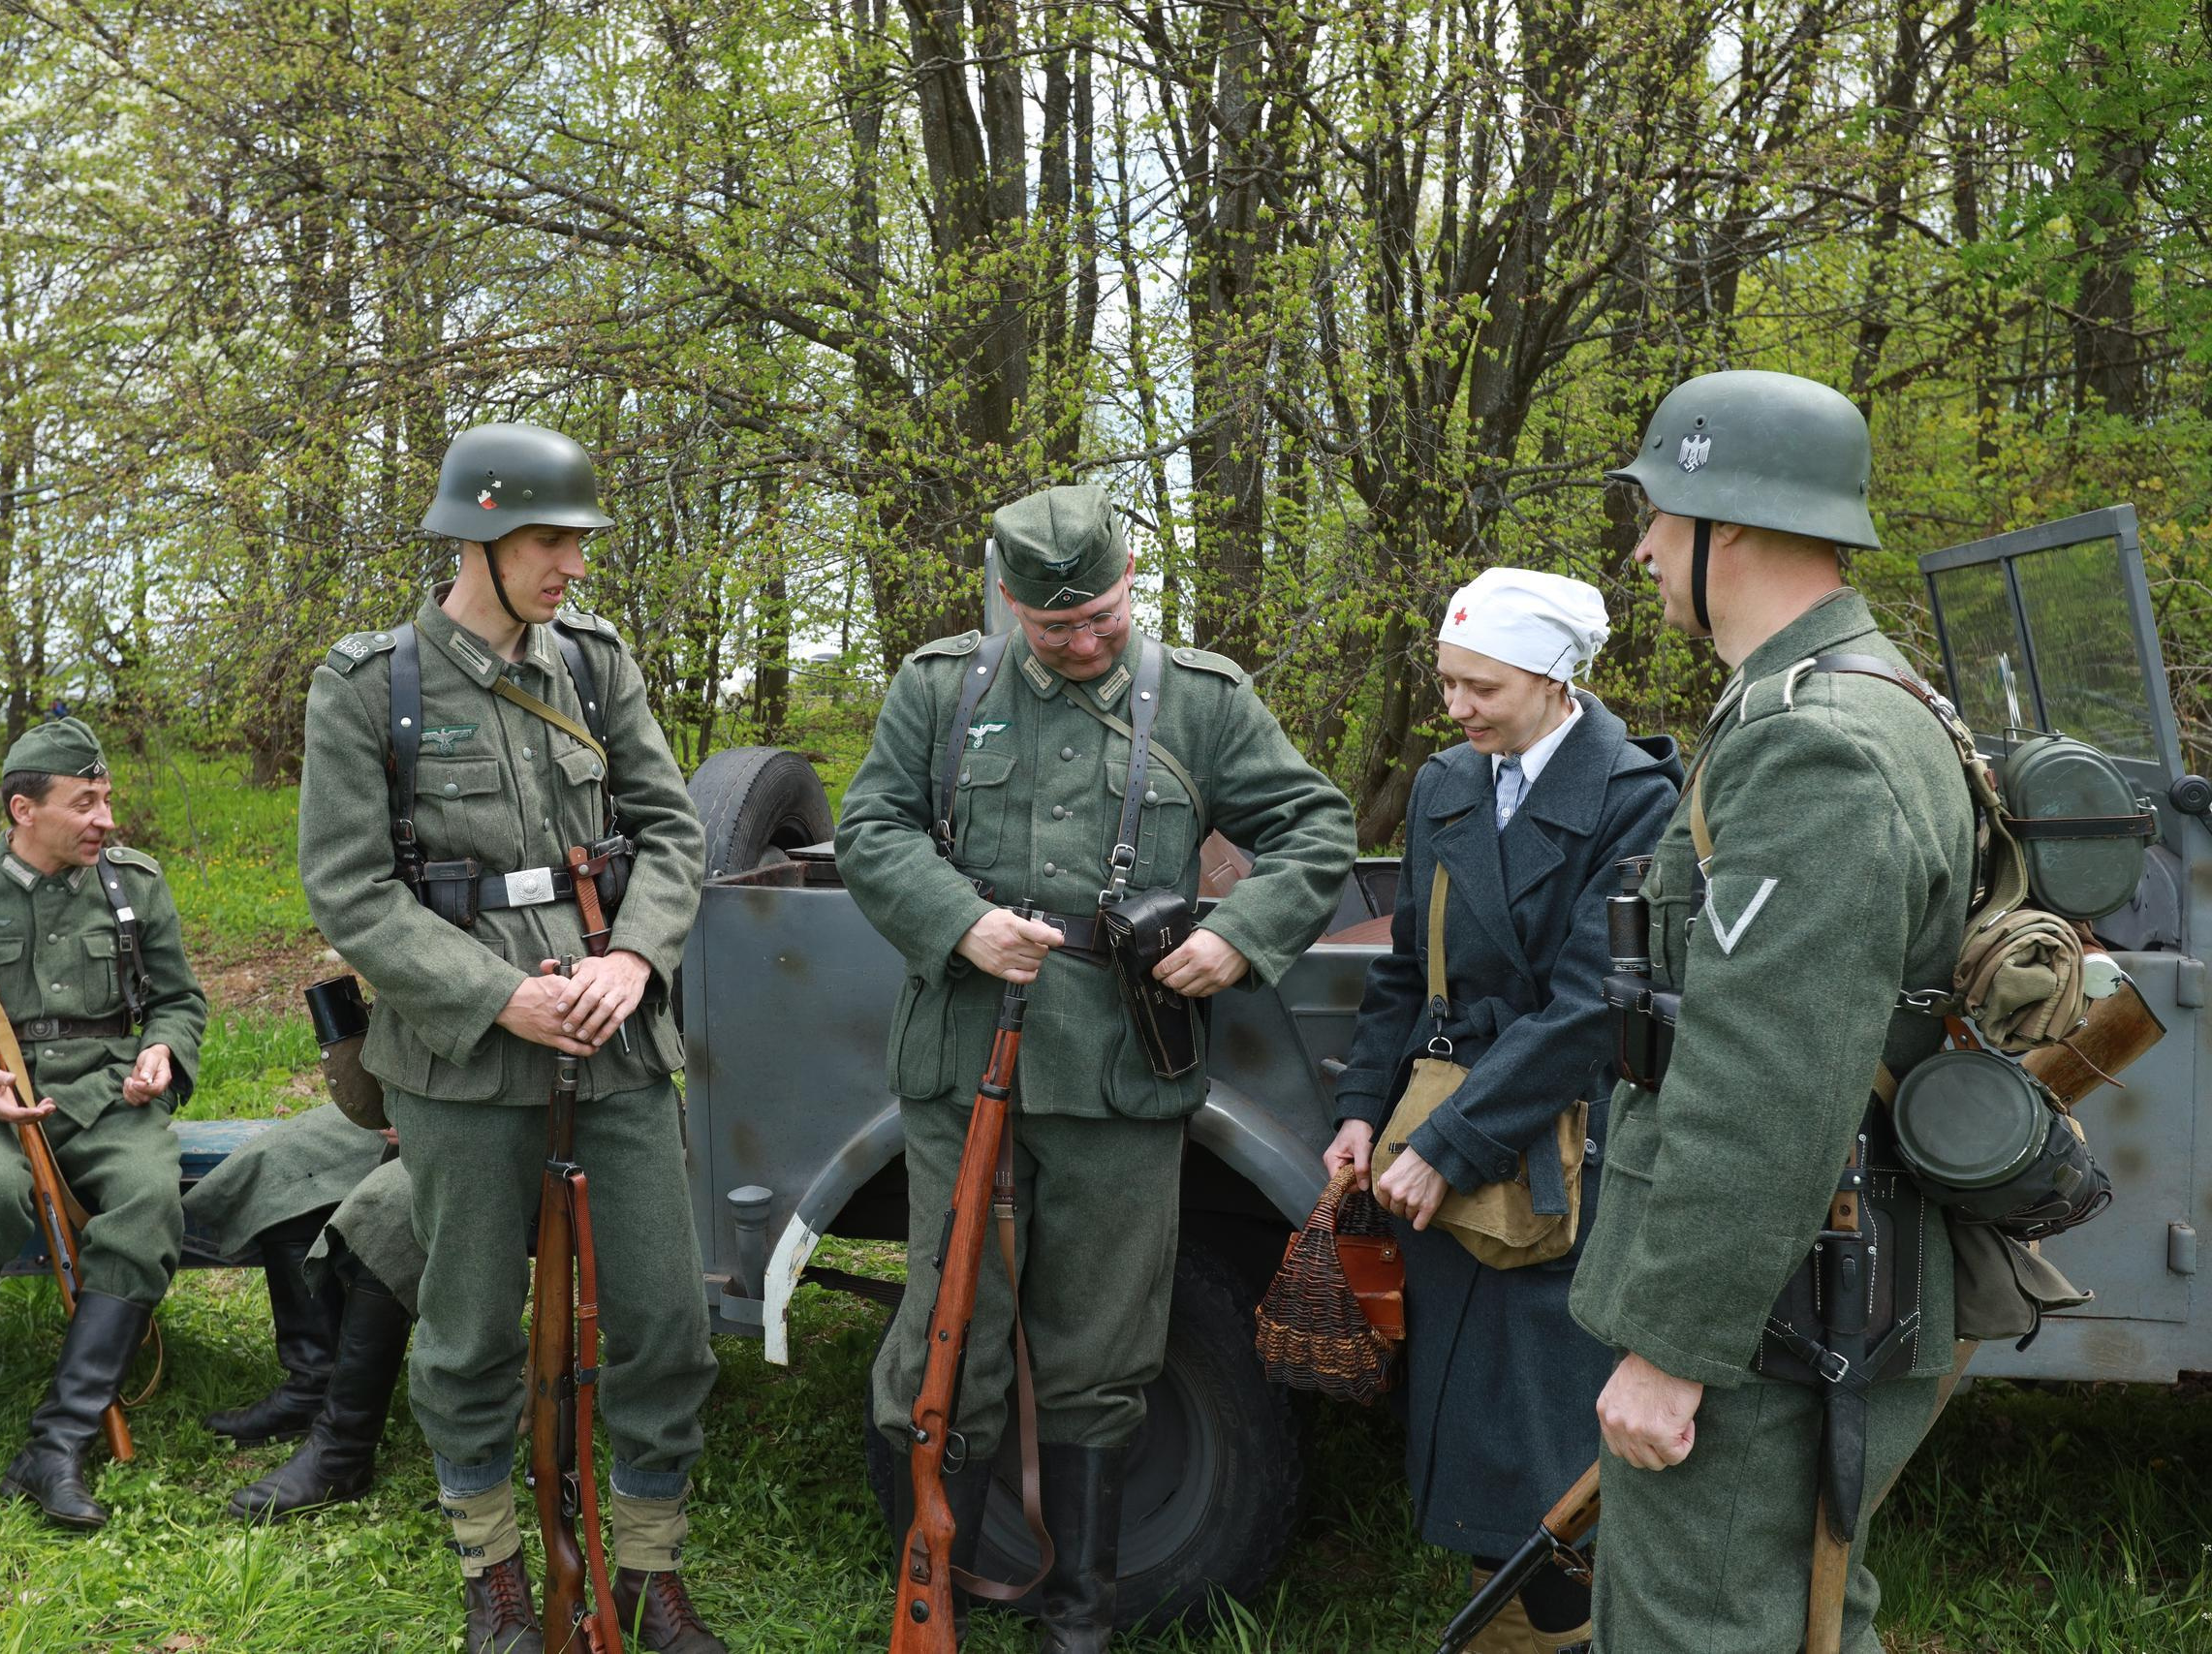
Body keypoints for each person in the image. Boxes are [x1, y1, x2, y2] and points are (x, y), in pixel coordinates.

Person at [835, 483, 1356, 1653]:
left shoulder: (1203, 700)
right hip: (966, 1050)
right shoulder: (938, 688)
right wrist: (958, 921)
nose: (1084, 643)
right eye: (1056, 626)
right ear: (1009, 603)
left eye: (1104, 617)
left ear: (1132, 583)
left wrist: (1239, 935)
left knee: (1109, 1342)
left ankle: (1081, 1617)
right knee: (951, 1324)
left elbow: (1314, 828)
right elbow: (871, 830)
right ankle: (948, 1587)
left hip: (1125, 1058)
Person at [296, 422, 723, 1654]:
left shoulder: (594, 663)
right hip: (462, 1056)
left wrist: (634, 959)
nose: (572, 566)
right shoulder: (371, 685)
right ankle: (490, 1566)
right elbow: (351, 890)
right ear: (475, 538)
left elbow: (672, 831)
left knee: (664, 1323)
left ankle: (645, 1567)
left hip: (617, 1044)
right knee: (471, 1327)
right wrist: (495, 997)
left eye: (579, 541)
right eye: (548, 541)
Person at [1569, 370, 1976, 1651]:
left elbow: (1767, 1075)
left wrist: (1675, 1344)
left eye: (1657, 513)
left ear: (1725, 525)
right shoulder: (1856, 699)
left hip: (1773, 1314)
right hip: (1798, 1289)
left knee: (1703, 1625)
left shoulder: (1820, 742)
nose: (1640, 548)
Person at [1326, 569, 1678, 1654]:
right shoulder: (1446, 783)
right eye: (1446, 683)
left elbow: (1589, 1006)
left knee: (1546, 1422)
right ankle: (1509, 1616)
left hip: (1558, 1152)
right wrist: (1360, 1109)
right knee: (1472, 1411)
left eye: (1481, 686)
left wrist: (1449, 1143)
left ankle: (1558, 1629)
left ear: (1554, 676)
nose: (1458, 706)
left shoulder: (1634, 797)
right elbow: (1402, 976)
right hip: (1449, 1122)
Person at [0, 715, 208, 1529]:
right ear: (24, 808)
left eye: (108, 798)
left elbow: (177, 1000)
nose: (107, 819)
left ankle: (58, 1439)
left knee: (149, 1200)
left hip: (106, 1093)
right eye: (85, 802)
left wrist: (161, 1049)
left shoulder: (134, 885)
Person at [179, 1104, 419, 1521]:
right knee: (278, 1162)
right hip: (408, 1096)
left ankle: (343, 1453)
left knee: (385, 1212)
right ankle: (313, 1385)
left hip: (495, 1118)